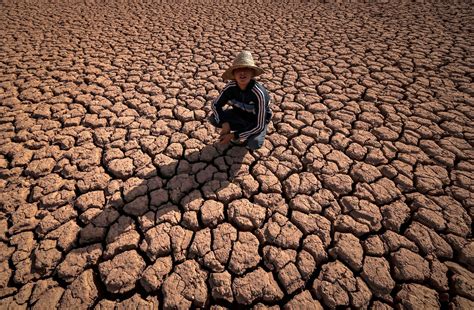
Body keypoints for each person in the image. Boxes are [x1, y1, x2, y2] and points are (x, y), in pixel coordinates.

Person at [209, 50, 272, 150]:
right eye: (238, 69)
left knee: (254, 143)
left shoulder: (259, 94)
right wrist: (225, 124)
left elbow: (259, 125)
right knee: (214, 118)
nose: (242, 73)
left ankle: (246, 133)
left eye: (246, 69)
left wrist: (233, 136)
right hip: (238, 115)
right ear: (234, 74)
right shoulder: (230, 88)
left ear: (252, 74)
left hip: (256, 121)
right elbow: (215, 105)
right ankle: (240, 129)